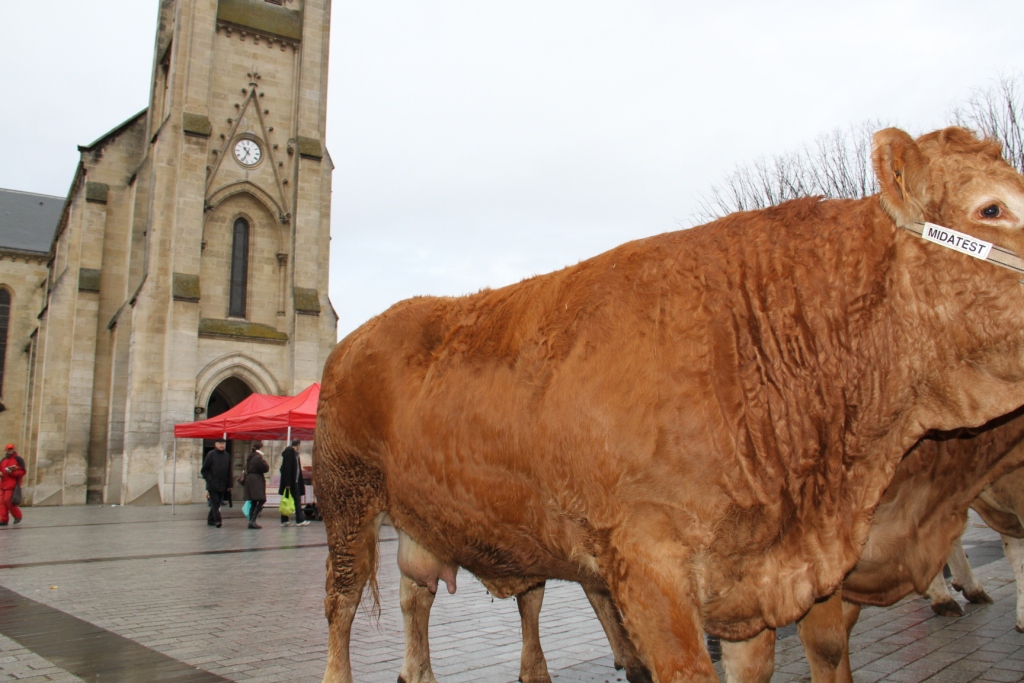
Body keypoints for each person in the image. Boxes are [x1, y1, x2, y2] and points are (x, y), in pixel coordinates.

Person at [200, 438, 232, 527]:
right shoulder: (210, 454)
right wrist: (210, 479)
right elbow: (204, 470)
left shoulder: (227, 456)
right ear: (215, 444)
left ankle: (210, 520)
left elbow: (229, 471)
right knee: (215, 501)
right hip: (212, 484)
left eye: (223, 444)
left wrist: (230, 484)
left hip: (223, 483)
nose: (222, 445)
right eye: (220, 443)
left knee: (217, 502)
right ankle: (218, 520)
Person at [279, 439, 309, 526]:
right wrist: (287, 483)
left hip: (294, 481)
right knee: (294, 500)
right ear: (298, 444)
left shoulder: (295, 454)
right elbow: (287, 469)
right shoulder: (289, 454)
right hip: (291, 483)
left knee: (290, 500)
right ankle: (299, 520)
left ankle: (285, 520)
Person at [243, 441, 269, 529]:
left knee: (254, 501)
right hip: (256, 480)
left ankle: (251, 521)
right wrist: (263, 458)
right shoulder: (258, 457)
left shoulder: (250, 456)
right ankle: (252, 520)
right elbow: (266, 468)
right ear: (260, 448)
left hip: (250, 479)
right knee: (262, 499)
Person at [0, 444, 26, 527]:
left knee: (8, 501)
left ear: (13, 449)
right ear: (6, 450)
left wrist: (12, 472)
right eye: (8, 449)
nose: (10, 450)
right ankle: (3, 519)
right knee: (1, 502)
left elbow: (22, 472)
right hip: (3, 484)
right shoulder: (3, 460)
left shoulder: (18, 459)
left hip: (12, 484)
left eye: (11, 449)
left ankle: (17, 516)